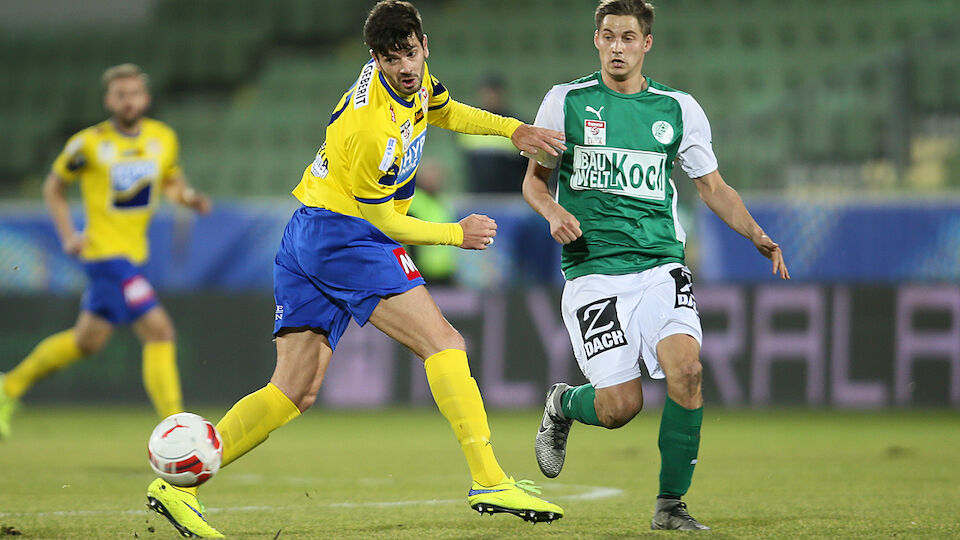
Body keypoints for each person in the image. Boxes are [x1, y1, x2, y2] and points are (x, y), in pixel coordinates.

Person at [144, 2, 568, 537]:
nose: (406, 67)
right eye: (393, 60)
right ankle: (488, 478)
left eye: (411, 53)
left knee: (294, 388)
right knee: (445, 344)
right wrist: (455, 234)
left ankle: (178, 488)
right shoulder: (370, 127)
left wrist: (512, 130)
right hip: (345, 235)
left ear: (424, 45)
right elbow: (383, 219)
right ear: (376, 58)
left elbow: (445, 110)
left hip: (308, 230)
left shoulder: (413, 83)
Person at [522, 0, 790, 531]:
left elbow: (711, 186)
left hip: (660, 265)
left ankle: (671, 505)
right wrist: (552, 210)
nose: (616, 46)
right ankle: (562, 404)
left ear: (647, 44)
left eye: (627, 37)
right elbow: (534, 180)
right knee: (620, 407)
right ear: (596, 41)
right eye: (607, 36)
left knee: (687, 371)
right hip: (593, 272)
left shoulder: (678, 108)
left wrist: (756, 232)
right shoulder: (564, 102)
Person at [0, 64, 211, 440]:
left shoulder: (163, 138)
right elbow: (54, 187)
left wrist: (189, 198)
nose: (128, 101)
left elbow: (171, 182)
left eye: (134, 93)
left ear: (145, 98)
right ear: (109, 100)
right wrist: (68, 235)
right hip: (104, 255)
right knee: (160, 331)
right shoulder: (89, 144)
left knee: (87, 341)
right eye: (120, 94)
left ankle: (8, 387)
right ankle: (178, 430)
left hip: (134, 255)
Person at [457, 74, 529, 193]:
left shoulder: (518, 126)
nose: (490, 97)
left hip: (510, 197)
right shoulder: (468, 125)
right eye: (486, 93)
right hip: (479, 196)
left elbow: (526, 165)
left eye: (493, 93)